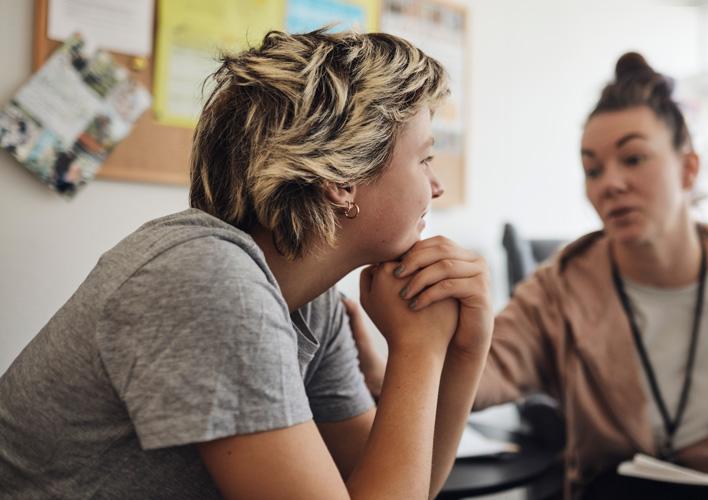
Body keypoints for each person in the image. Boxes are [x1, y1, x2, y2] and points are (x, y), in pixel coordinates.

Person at [0, 29, 493, 499]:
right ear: (343, 178)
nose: (436, 187)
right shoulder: (207, 279)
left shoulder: (310, 302)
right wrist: (418, 350)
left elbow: (400, 487)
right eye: (424, 160)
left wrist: (466, 348)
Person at [350, 52, 708, 499]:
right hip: (616, 487)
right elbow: (491, 367)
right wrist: (394, 371)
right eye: (593, 169)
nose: (609, 183)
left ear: (688, 168)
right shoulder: (563, 286)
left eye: (633, 159)